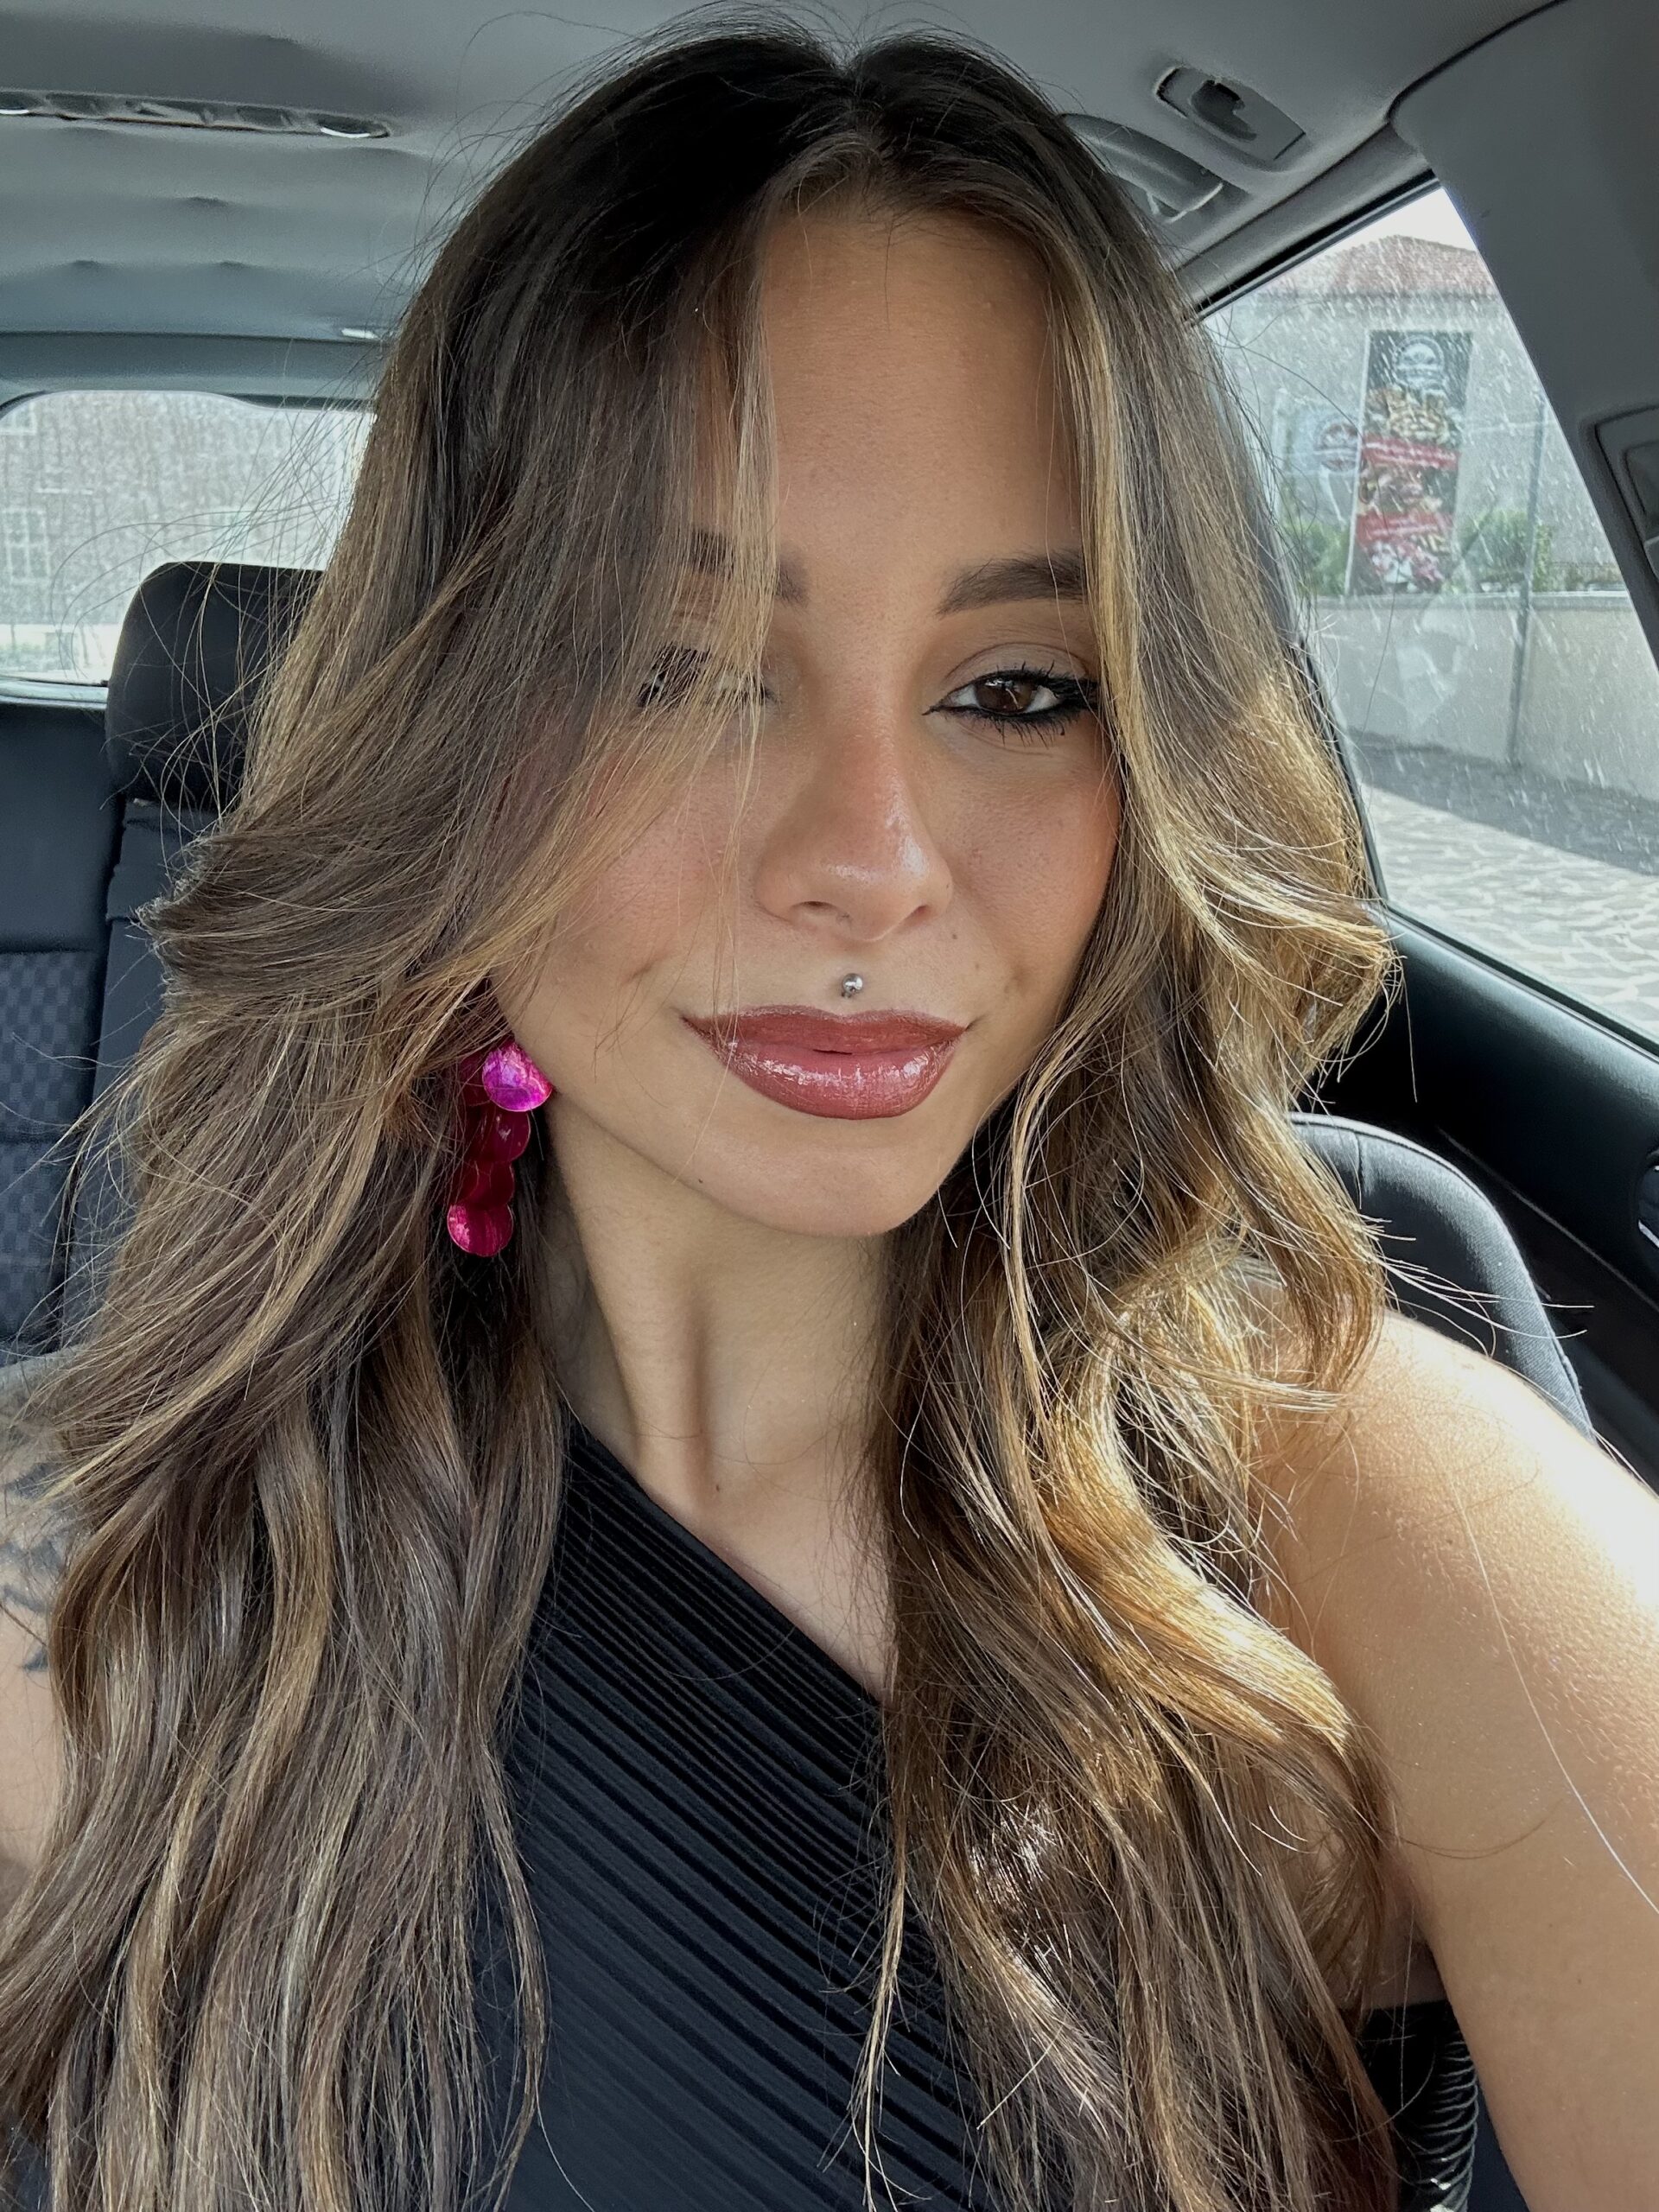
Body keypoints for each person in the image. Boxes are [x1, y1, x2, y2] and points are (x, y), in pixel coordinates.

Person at [2, 21, 1656, 2212]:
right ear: (450, 740)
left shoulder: (1362, 1520)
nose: (872, 862)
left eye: (1019, 689)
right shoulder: (106, 1570)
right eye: (675, 667)